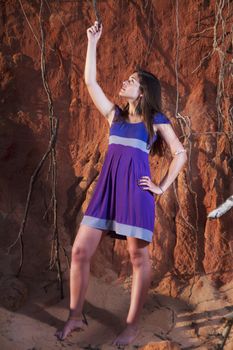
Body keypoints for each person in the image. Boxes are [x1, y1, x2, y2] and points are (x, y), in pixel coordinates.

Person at [55, 21, 187, 346]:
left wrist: (161, 186)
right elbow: (89, 81)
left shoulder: (154, 120)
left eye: (132, 80)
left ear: (142, 92)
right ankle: (75, 316)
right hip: (107, 191)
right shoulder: (113, 115)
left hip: (137, 195)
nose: (125, 81)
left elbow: (180, 153)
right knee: (79, 252)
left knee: (138, 259)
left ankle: (132, 325)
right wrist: (92, 42)